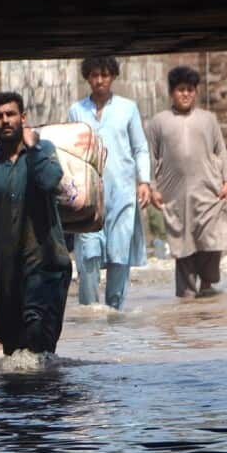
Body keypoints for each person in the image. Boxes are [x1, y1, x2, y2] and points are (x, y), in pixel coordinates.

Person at [0, 92, 73, 356]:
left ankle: (44, 395)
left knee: (37, 339)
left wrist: (35, 148)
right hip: (6, 275)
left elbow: (50, 181)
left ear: (23, 118)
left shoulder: (43, 152)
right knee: (12, 350)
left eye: (10, 114)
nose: (5, 121)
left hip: (46, 267)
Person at [145, 66, 227, 298]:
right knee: (181, 240)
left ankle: (207, 283)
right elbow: (150, 156)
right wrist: (152, 187)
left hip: (208, 188)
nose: (185, 94)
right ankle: (186, 291)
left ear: (196, 92)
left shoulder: (209, 119)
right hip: (174, 193)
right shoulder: (158, 122)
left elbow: (221, 151)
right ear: (172, 93)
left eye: (189, 90)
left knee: (211, 237)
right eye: (180, 90)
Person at [68, 55, 151, 310]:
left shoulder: (128, 108)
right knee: (88, 256)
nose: (99, 80)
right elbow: (69, 149)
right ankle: (89, 314)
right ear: (87, 78)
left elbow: (140, 148)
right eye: (94, 75)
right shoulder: (77, 111)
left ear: (113, 76)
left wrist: (144, 182)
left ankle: (115, 314)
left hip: (123, 194)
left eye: (104, 75)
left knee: (119, 256)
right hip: (88, 196)